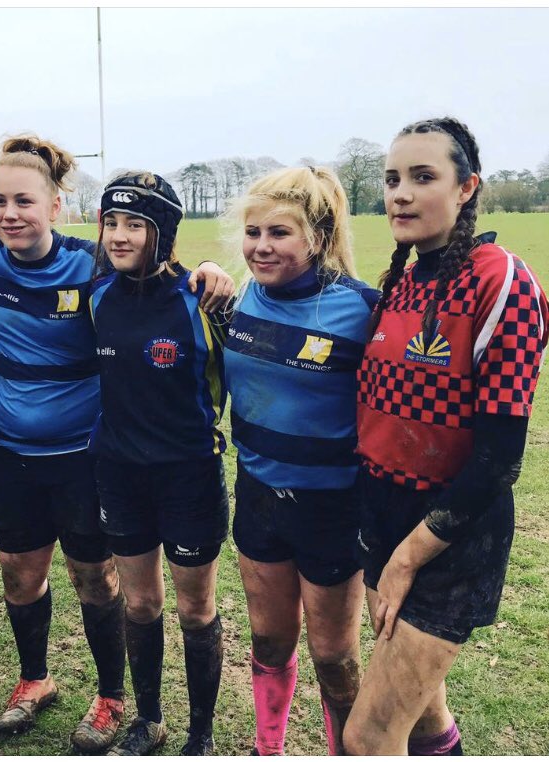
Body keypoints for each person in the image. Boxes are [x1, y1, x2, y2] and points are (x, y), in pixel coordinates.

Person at [0, 136, 234, 753]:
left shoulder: (92, 262)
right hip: (10, 453)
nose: (10, 214)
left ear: (55, 205)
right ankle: (34, 679)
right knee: (20, 578)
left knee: (95, 580)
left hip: (86, 455)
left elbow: (155, 268)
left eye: (24, 201)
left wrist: (206, 270)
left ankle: (111, 697)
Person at [344, 117, 549, 755]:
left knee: (368, 737)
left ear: (466, 189)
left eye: (423, 177)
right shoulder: (404, 282)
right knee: (425, 715)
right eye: (392, 179)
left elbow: (499, 459)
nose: (400, 193)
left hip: (452, 532)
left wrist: (409, 558)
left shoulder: (501, 280)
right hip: (382, 513)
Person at [222, 166, 379, 755]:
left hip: (332, 507)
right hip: (258, 496)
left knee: (334, 656)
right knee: (268, 641)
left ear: (318, 237)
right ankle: (269, 749)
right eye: (253, 232)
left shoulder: (363, 310)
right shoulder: (236, 299)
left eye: (279, 233)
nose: (261, 246)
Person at [88, 172, 229, 756]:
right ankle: (148, 720)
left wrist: (216, 270)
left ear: (162, 232)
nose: (119, 236)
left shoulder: (204, 298)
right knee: (142, 603)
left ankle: (200, 734)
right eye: (111, 222)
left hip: (189, 476)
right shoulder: (97, 296)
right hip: (119, 475)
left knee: (196, 608)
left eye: (134, 225)